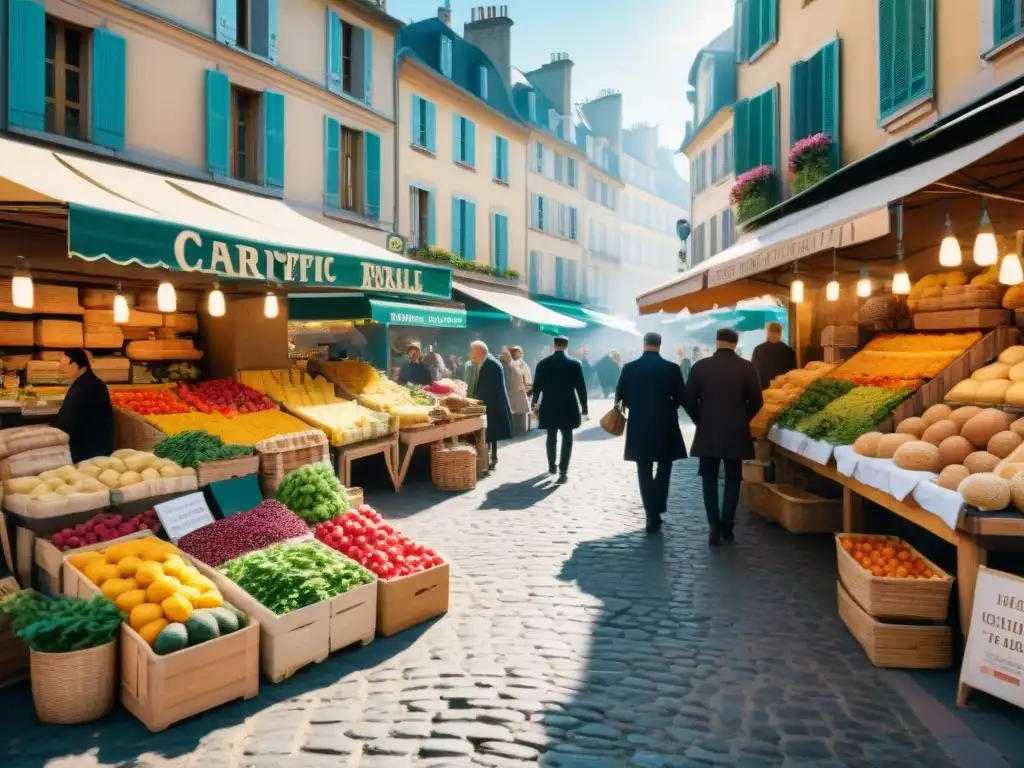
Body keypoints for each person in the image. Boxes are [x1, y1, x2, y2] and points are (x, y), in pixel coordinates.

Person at [686, 328, 764, 546]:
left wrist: (700, 420)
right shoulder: (747, 368)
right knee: (732, 478)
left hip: (708, 431)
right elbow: (757, 402)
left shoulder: (700, 367)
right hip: (736, 432)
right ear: (736, 344)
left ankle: (713, 526)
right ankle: (727, 525)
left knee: (709, 478)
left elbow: (689, 400)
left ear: (717, 342)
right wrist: (742, 419)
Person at [614, 333, 687, 533]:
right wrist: (668, 407)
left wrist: (635, 406)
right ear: (660, 345)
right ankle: (657, 508)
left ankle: (650, 513)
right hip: (665, 423)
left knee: (643, 467)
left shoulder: (630, 368)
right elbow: (681, 396)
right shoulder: (671, 368)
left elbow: (620, 396)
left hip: (639, 423)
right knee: (665, 465)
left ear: (644, 344)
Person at [532, 336, 588, 482]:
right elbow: (581, 387)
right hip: (568, 404)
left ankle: (552, 465)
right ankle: (563, 470)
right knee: (567, 436)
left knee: (551, 435)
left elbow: (537, 386)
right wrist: (584, 406)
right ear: (567, 346)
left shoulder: (543, 364)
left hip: (549, 403)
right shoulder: (575, 364)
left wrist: (534, 402)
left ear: (553, 345)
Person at [56, 348, 114, 463]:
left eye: (63, 367)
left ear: (75, 364)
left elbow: (67, 423)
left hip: (89, 453)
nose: (61, 370)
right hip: (93, 447)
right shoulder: (87, 382)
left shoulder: (85, 387)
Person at [469, 341, 513, 470]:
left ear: (481, 352)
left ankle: (488, 460)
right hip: (492, 403)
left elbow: (488, 388)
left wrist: (476, 401)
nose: (472, 355)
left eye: (473, 352)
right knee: (491, 434)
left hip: (493, 404)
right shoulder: (487, 362)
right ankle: (491, 458)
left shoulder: (491, 365)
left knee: (490, 433)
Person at [751, 320, 796, 389]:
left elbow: (792, 372)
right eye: (772, 332)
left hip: (782, 386)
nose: (774, 334)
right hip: (766, 386)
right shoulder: (758, 350)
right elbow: (754, 370)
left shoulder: (788, 350)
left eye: (776, 332)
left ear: (780, 333)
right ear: (768, 333)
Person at [501, 346, 533, 435]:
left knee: (522, 412)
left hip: (520, 392)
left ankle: (522, 430)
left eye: (518, 352)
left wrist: (527, 389)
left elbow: (527, 378)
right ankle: (512, 430)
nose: (516, 354)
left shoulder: (522, 364)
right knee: (511, 412)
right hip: (509, 391)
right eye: (514, 352)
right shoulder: (506, 364)